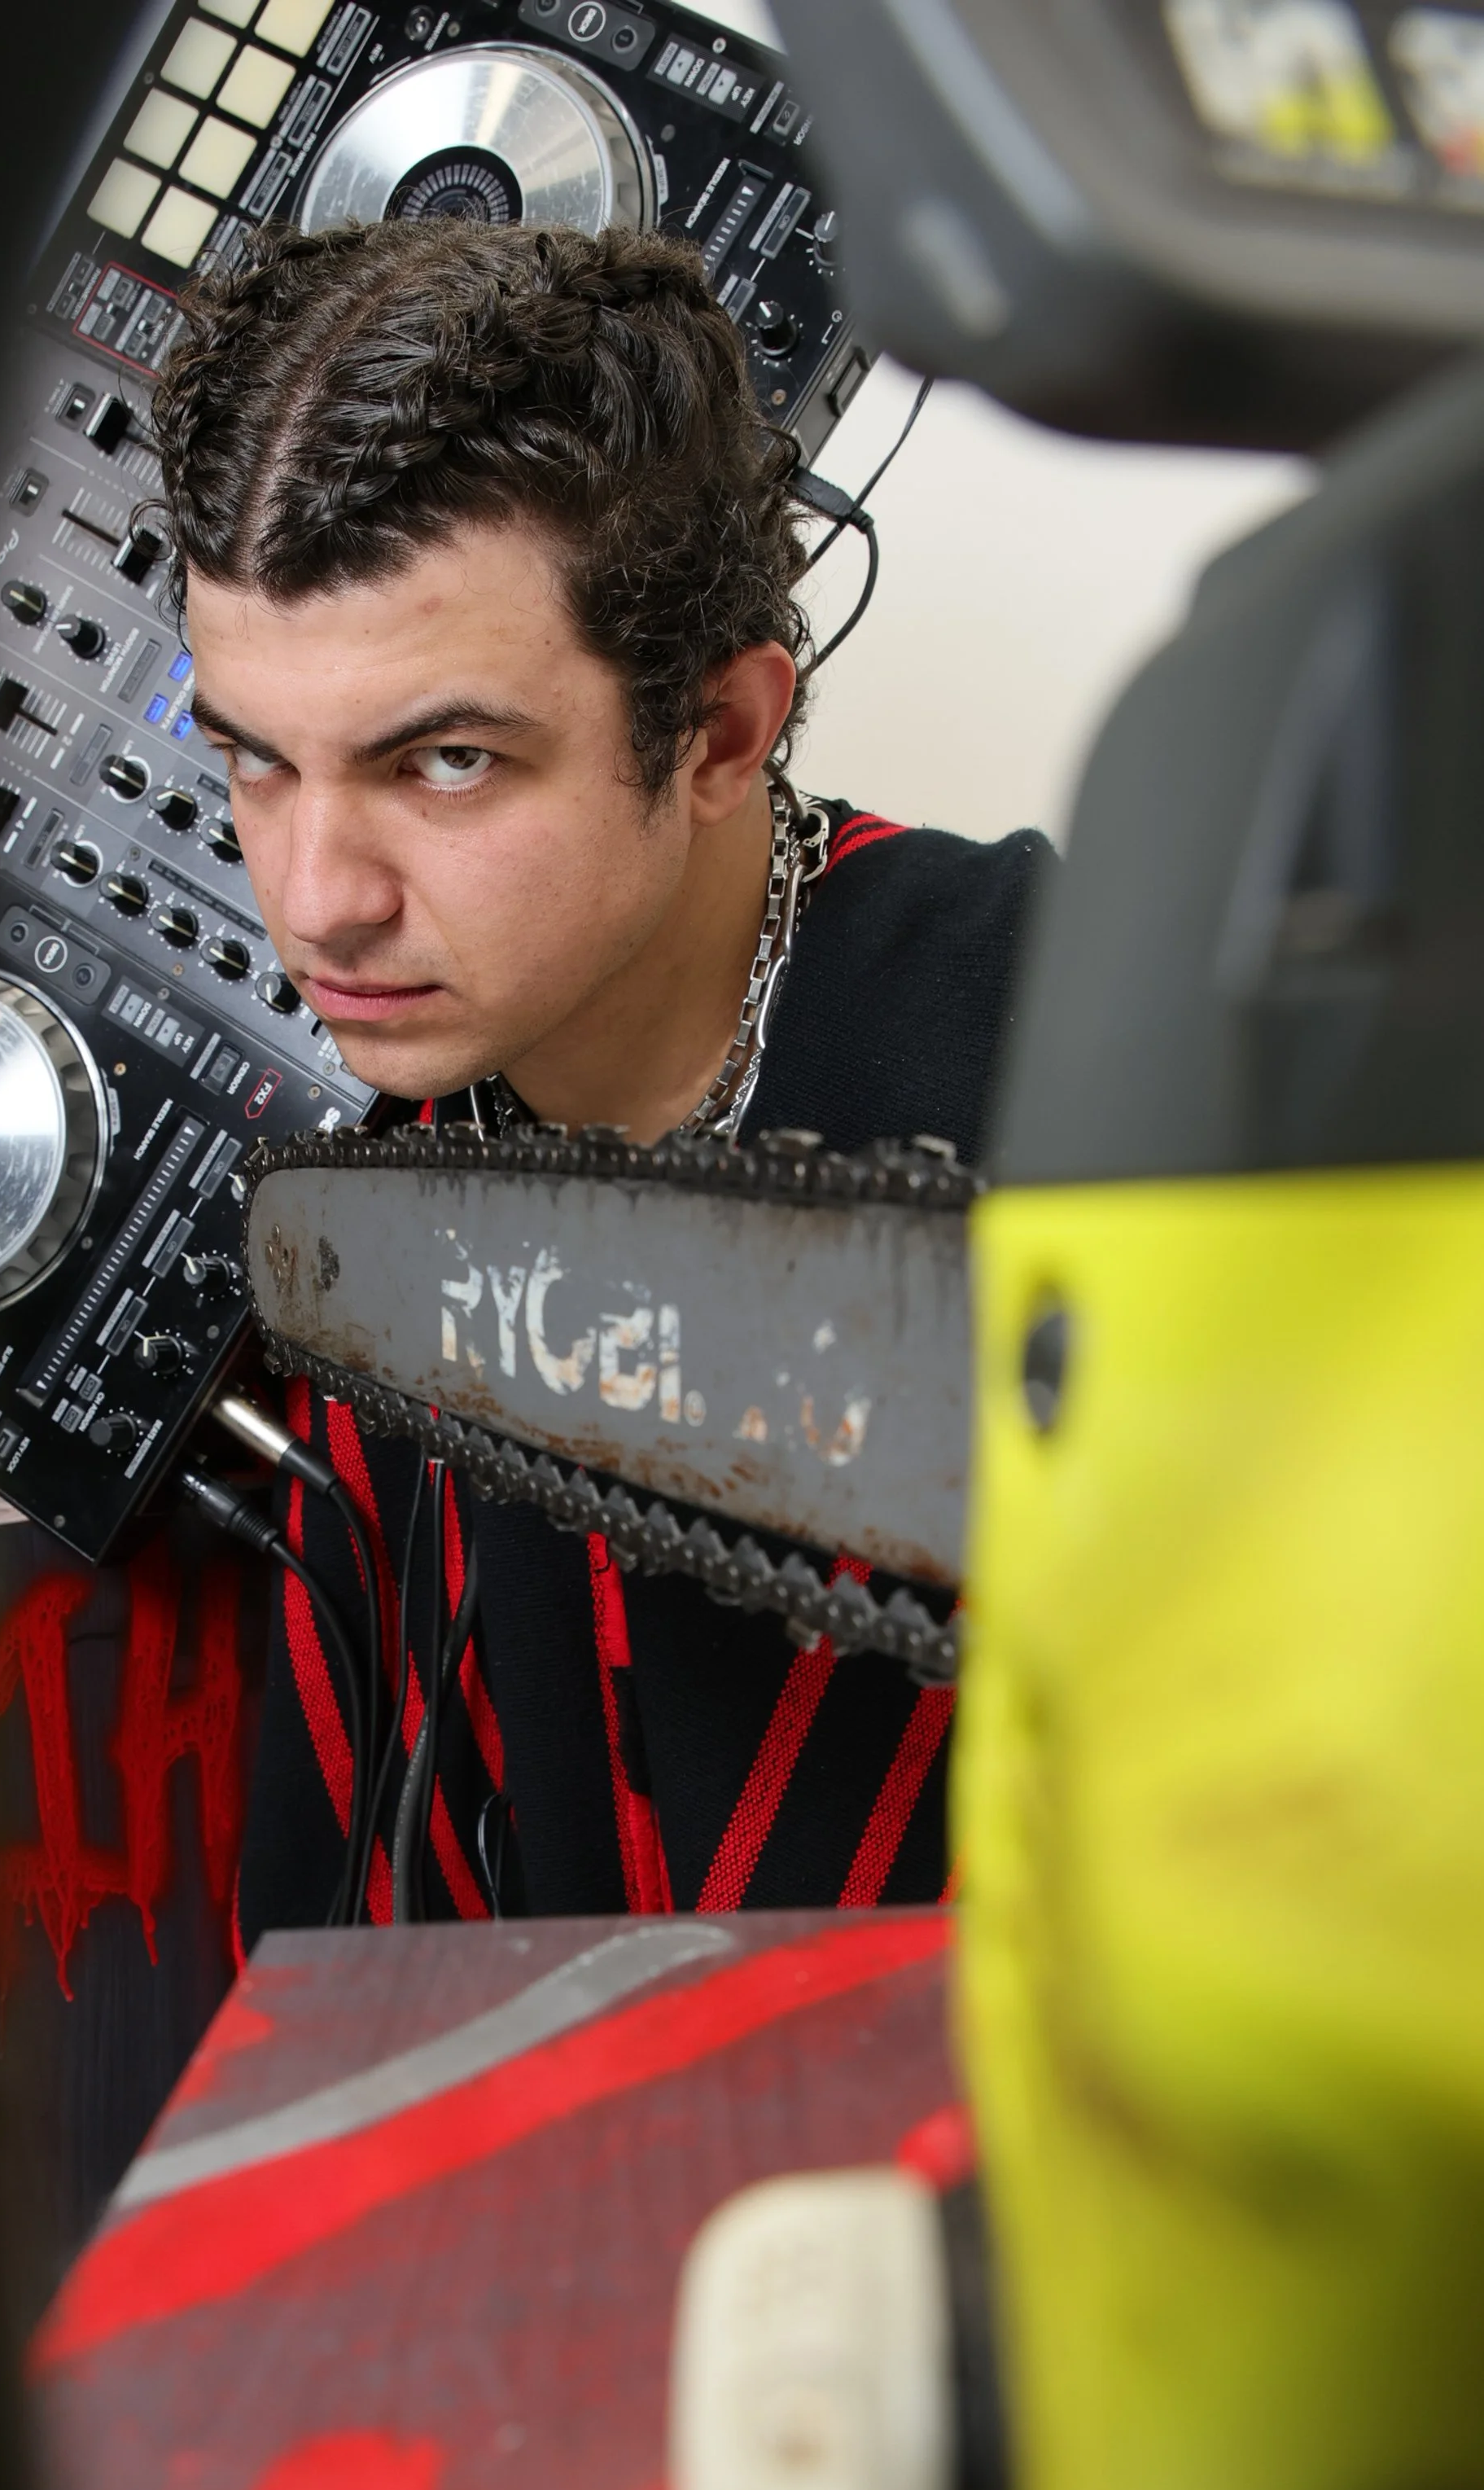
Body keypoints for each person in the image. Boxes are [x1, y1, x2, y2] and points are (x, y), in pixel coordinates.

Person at [154, 218, 1054, 1935]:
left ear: (720, 732)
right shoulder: (380, 1202)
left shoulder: (1095, 1068)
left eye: (444, 761)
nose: (315, 896)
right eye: (256, 763)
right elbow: (351, 1945)